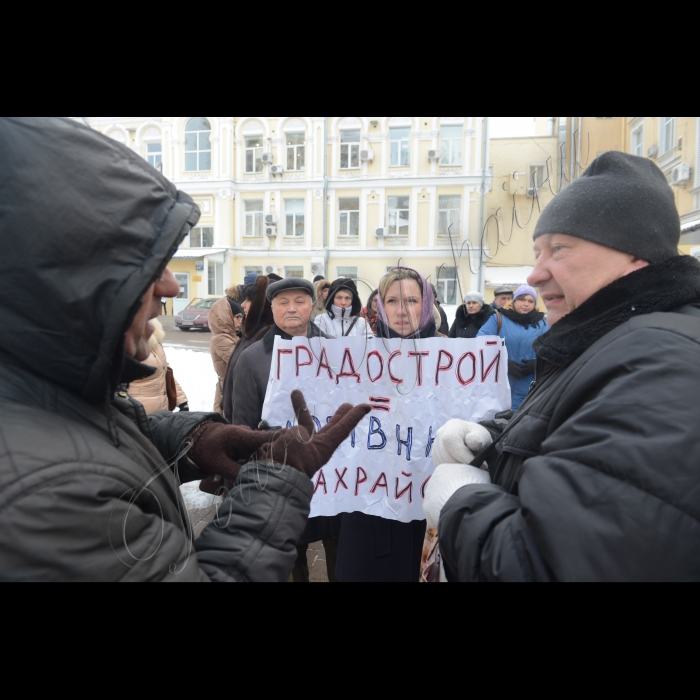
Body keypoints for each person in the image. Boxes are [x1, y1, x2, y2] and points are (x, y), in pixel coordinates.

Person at [0, 117, 369, 582]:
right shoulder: (44, 491)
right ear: (72, 276)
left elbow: (95, 436)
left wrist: (192, 440)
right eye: (147, 266)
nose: (171, 287)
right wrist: (276, 481)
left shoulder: (47, 392)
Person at [428, 151, 700, 582]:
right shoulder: (611, 342)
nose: (534, 275)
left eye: (559, 249)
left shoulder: (658, 362)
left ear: (634, 254)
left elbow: (551, 564)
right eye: (538, 252)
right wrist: (493, 442)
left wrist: (460, 503)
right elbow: (573, 441)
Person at [230, 278, 342, 583]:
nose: (292, 309)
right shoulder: (252, 359)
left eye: (300, 301)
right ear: (272, 308)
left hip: (333, 477)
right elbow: (241, 426)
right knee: (290, 557)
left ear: (313, 305)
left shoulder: (337, 352)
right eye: (283, 302)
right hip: (282, 478)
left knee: (337, 550)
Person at [336, 267, 435, 583]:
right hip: (368, 502)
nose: (402, 310)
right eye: (392, 300)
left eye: (411, 300)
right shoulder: (357, 357)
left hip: (424, 507)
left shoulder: (454, 359)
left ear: (427, 304)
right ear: (380, 306)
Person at [478, 285, 548, 411]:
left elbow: (555, 352)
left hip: (530, 391)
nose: (526, 304)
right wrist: (501, 363)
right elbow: (480, 344)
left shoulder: (544, 324)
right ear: (514, 301)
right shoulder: (498, 318)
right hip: (498, 388)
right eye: (522, 299)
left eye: (530, 301)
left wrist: (538, 364)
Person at [128, 318, 189, 414]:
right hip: (138, 415)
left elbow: (164, 368)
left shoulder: (154, 334)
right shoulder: (125, 339)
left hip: (161, 413)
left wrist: (181, 400)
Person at [209, 293, 244, 415]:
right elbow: (239, 361)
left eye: (241, 317)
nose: (241, 321)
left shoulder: (232, 336)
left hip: (231, 388)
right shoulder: (221, 339)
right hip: (227, 391)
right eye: (237, 317)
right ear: (226, 318)